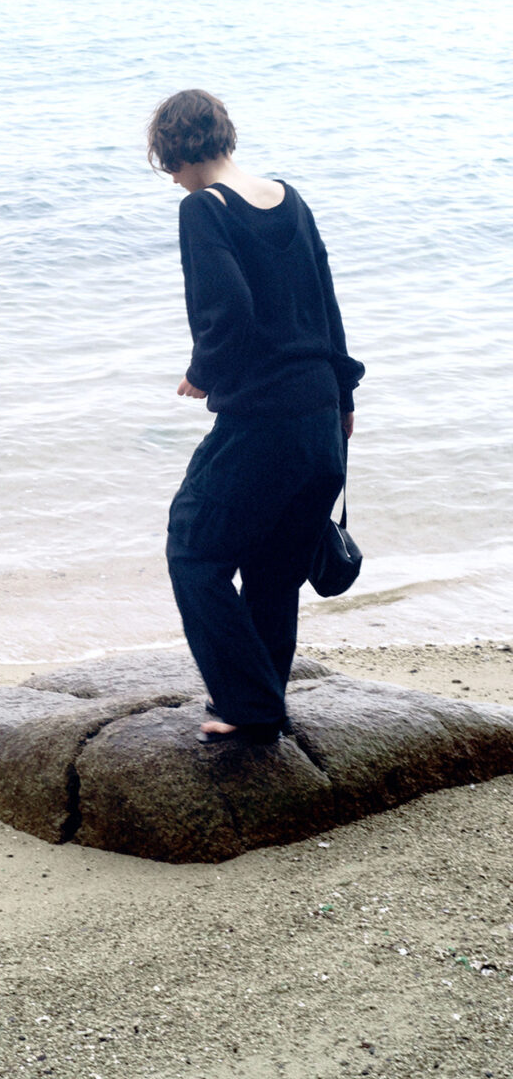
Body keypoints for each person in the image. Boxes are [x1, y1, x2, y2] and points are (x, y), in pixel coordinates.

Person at [148, 89, 364, 744]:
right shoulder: (290, 198)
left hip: (263, 420)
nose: (173, 180)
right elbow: (327, 304)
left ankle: (248, 704)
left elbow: (229, 309)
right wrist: (345, 399)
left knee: (193, 550)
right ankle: (261, 708)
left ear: (177, 151)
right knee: (274, 572)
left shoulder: (203, 209)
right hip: (321, 417)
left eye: (168, 165)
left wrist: (203, 371)